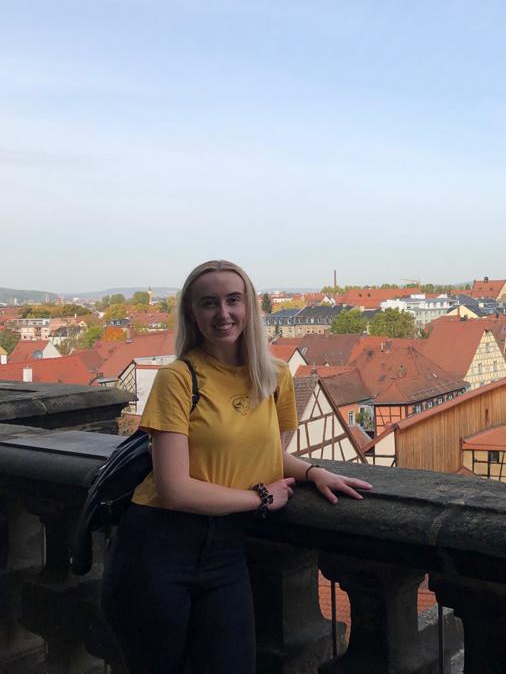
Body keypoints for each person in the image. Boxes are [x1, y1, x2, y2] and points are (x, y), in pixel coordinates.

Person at [102, 260, 371, 673]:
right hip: (157, 545)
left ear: (250, 309)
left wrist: (313, 472)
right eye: (209, 303)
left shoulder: (275, 376)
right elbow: (175, 488)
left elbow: (265, 454)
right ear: (192, 313)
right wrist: (259, 497)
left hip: (225, 548)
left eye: (233, 300)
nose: (223, 313)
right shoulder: (178, 378)